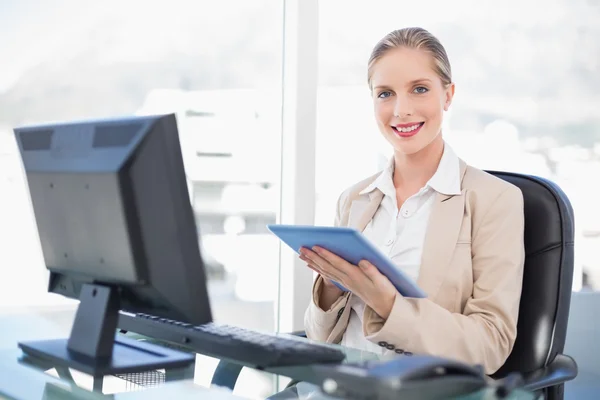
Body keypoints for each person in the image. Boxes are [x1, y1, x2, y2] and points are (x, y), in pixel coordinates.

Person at [301, 27, 525, 375]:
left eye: (419, 89)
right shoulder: (354, 200)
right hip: (342, 387)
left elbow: (491, 344)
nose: (401, 110)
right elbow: (320, 338)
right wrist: (330, 286)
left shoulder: (496, 201)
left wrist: (386, 304)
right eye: (385, 94)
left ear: (448, 96)